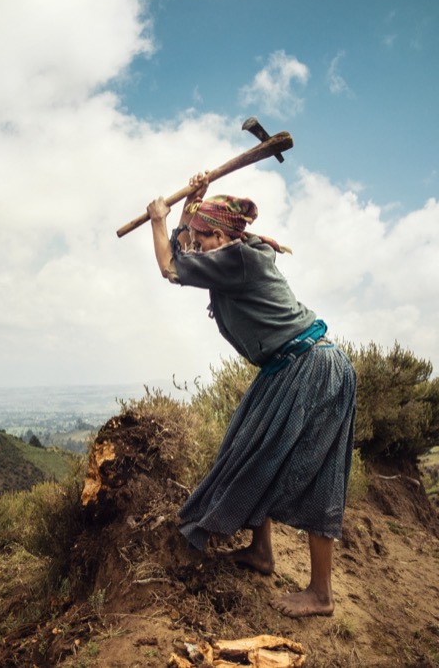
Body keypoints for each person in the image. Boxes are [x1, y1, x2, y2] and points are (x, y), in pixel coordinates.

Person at [146, 172, 357, 618]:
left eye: (203, 240)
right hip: (288, 367)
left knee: (317, 477)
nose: (197, 247)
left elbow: (170, 265)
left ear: (220, 236)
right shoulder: (232, 250)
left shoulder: (236, 259)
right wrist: (192, 207)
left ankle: (321, 594)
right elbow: (188, 249)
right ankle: (261, 553)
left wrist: (158, 221)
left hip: (312, 370)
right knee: (248, 449)